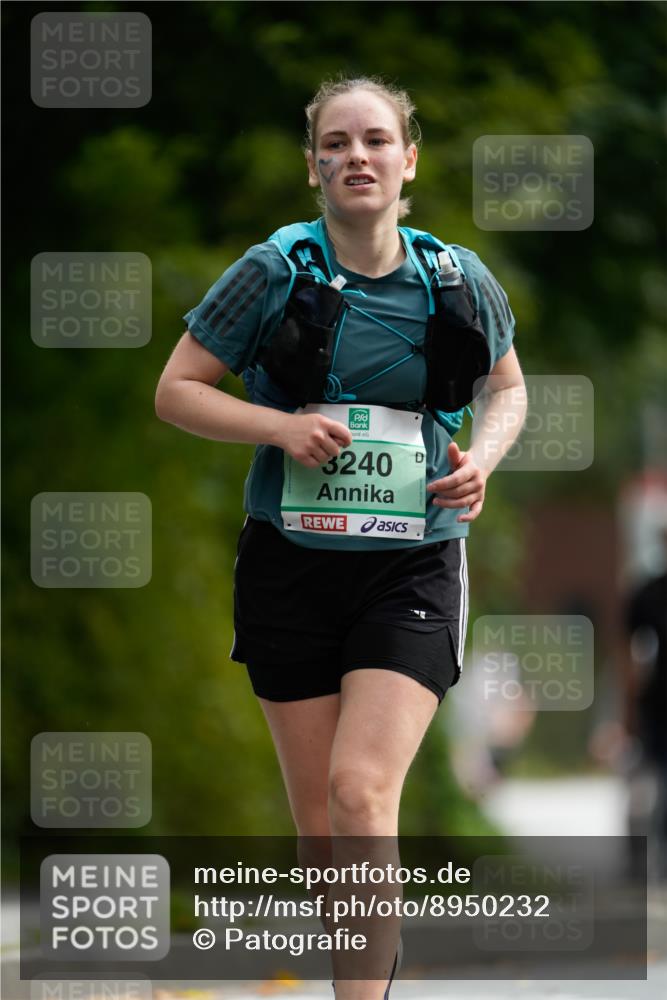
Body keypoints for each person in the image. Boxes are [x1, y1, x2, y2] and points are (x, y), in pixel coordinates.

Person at [155, 76, 527, 999]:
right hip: (288, 564)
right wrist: (278, 428)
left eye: (374, 140)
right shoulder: (274, 270)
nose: (355, 156)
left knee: (361, 795)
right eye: (335, 143)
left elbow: (508, 389)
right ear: (313, 165)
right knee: (323, 828)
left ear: (408, 160)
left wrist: (482, 456)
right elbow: (177, 390)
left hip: (413, 560)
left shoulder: (455, 278)